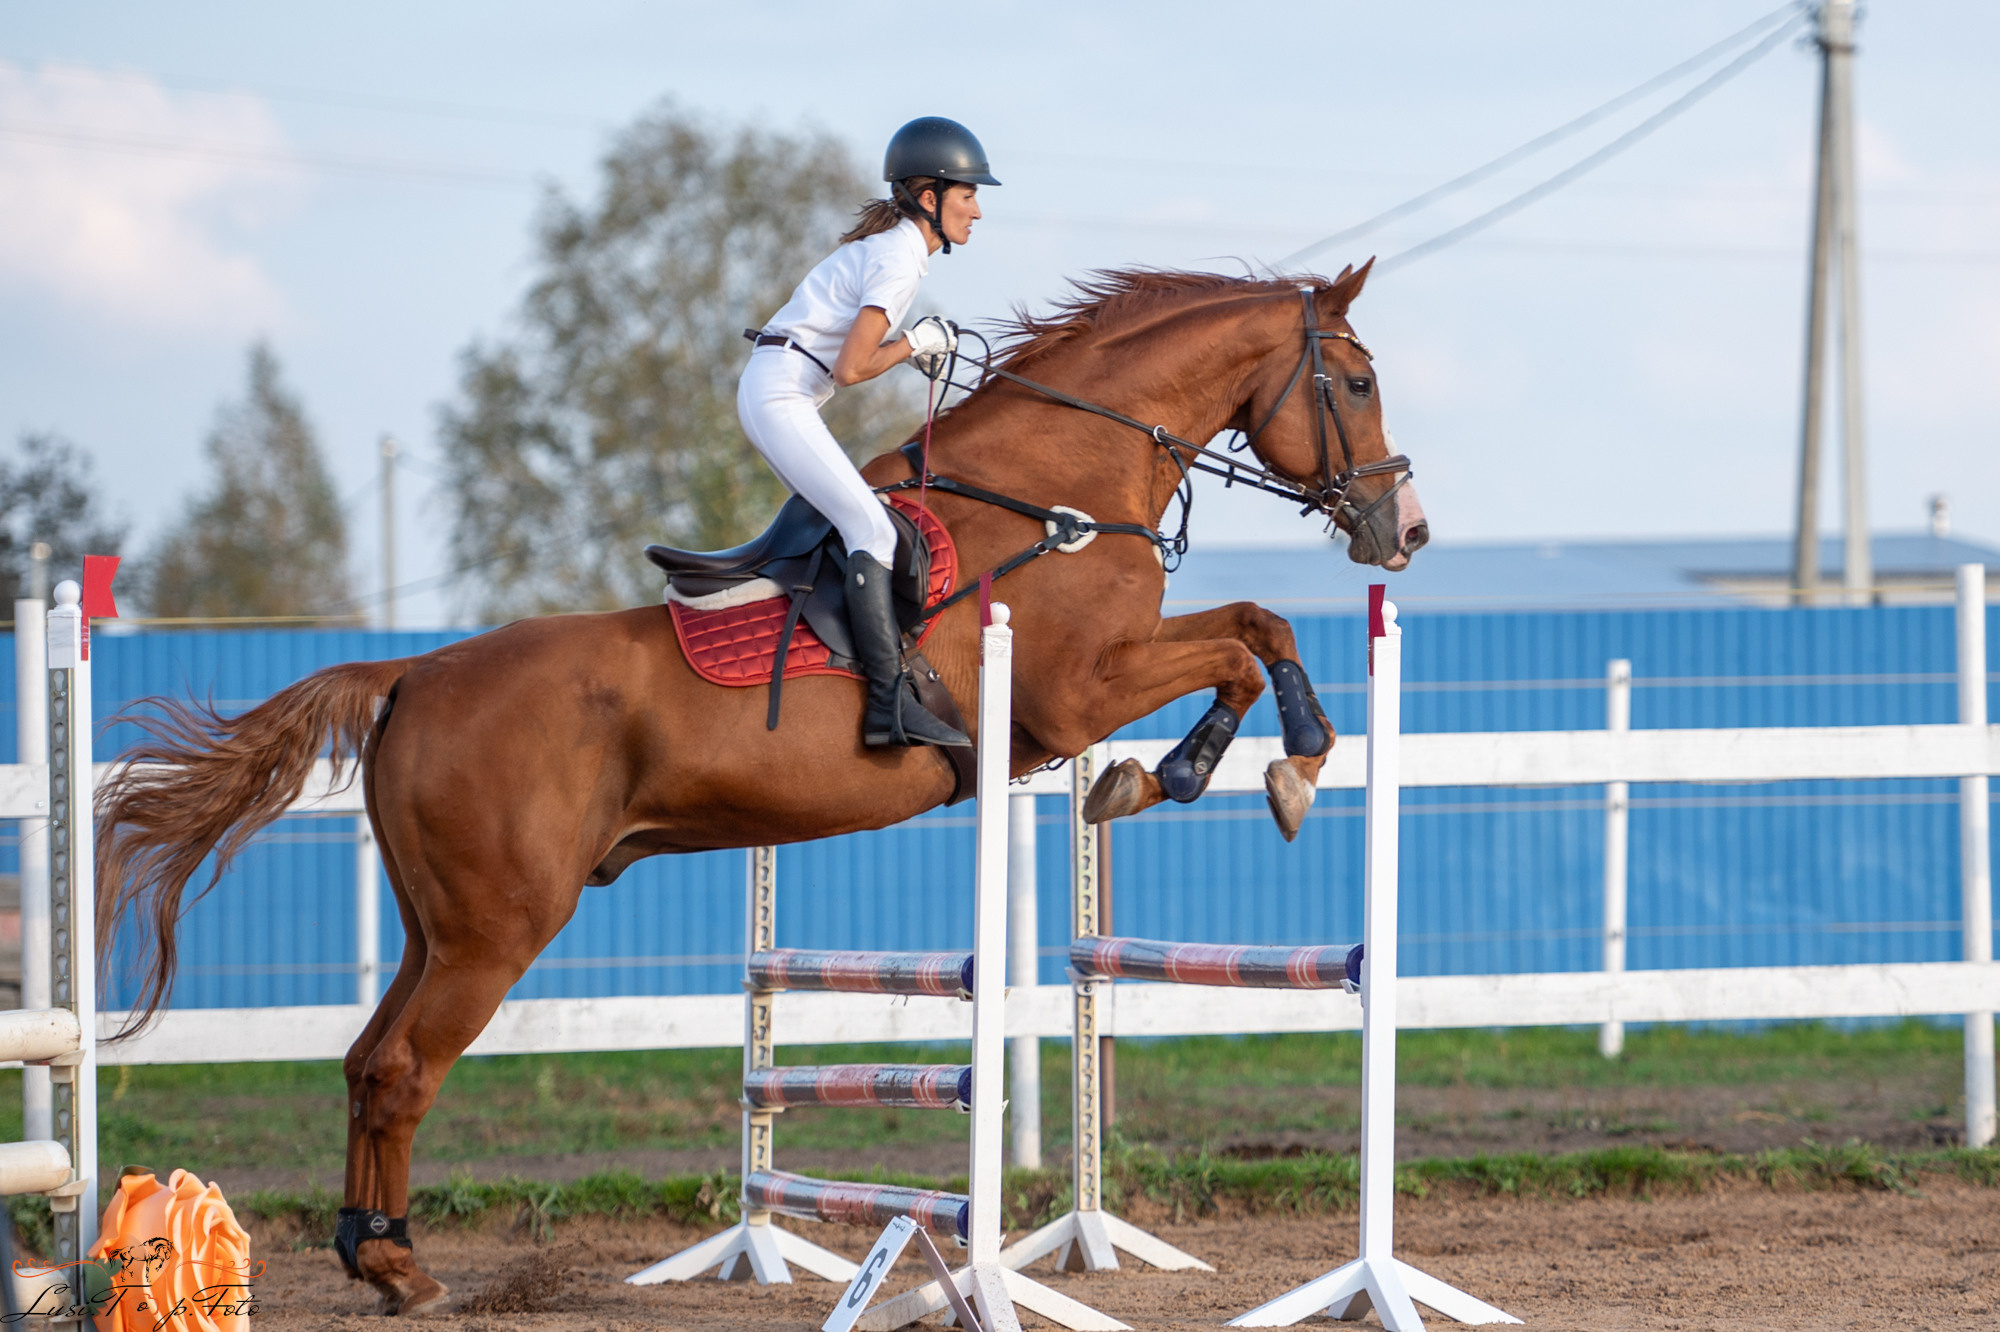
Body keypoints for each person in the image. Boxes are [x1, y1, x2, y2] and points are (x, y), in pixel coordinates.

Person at [739, 116, 998, 749]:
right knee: (872, 529)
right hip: (782, 393)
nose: (978, 211)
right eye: (968, 195)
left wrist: (913, 343)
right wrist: (914, 343)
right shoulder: (897, 259)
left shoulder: (895, 252)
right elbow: (853, 368)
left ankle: (829, 664)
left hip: (780, 387)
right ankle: (888, 704)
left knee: (847, 521)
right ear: (930, 198)